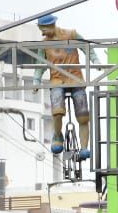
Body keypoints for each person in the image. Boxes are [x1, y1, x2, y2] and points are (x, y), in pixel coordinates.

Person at [36, 15, 91, 159]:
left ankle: (84, 147)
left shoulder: (71, 34)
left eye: (44, 30)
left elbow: (86, 46)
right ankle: (57, 135)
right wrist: (36, 79)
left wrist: (94, 58)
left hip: (75, 79)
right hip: (57, 80)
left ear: (52, 25)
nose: (43, 34)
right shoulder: (44, 45)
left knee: (83, 115)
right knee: (57, 110)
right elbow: (40, 64)